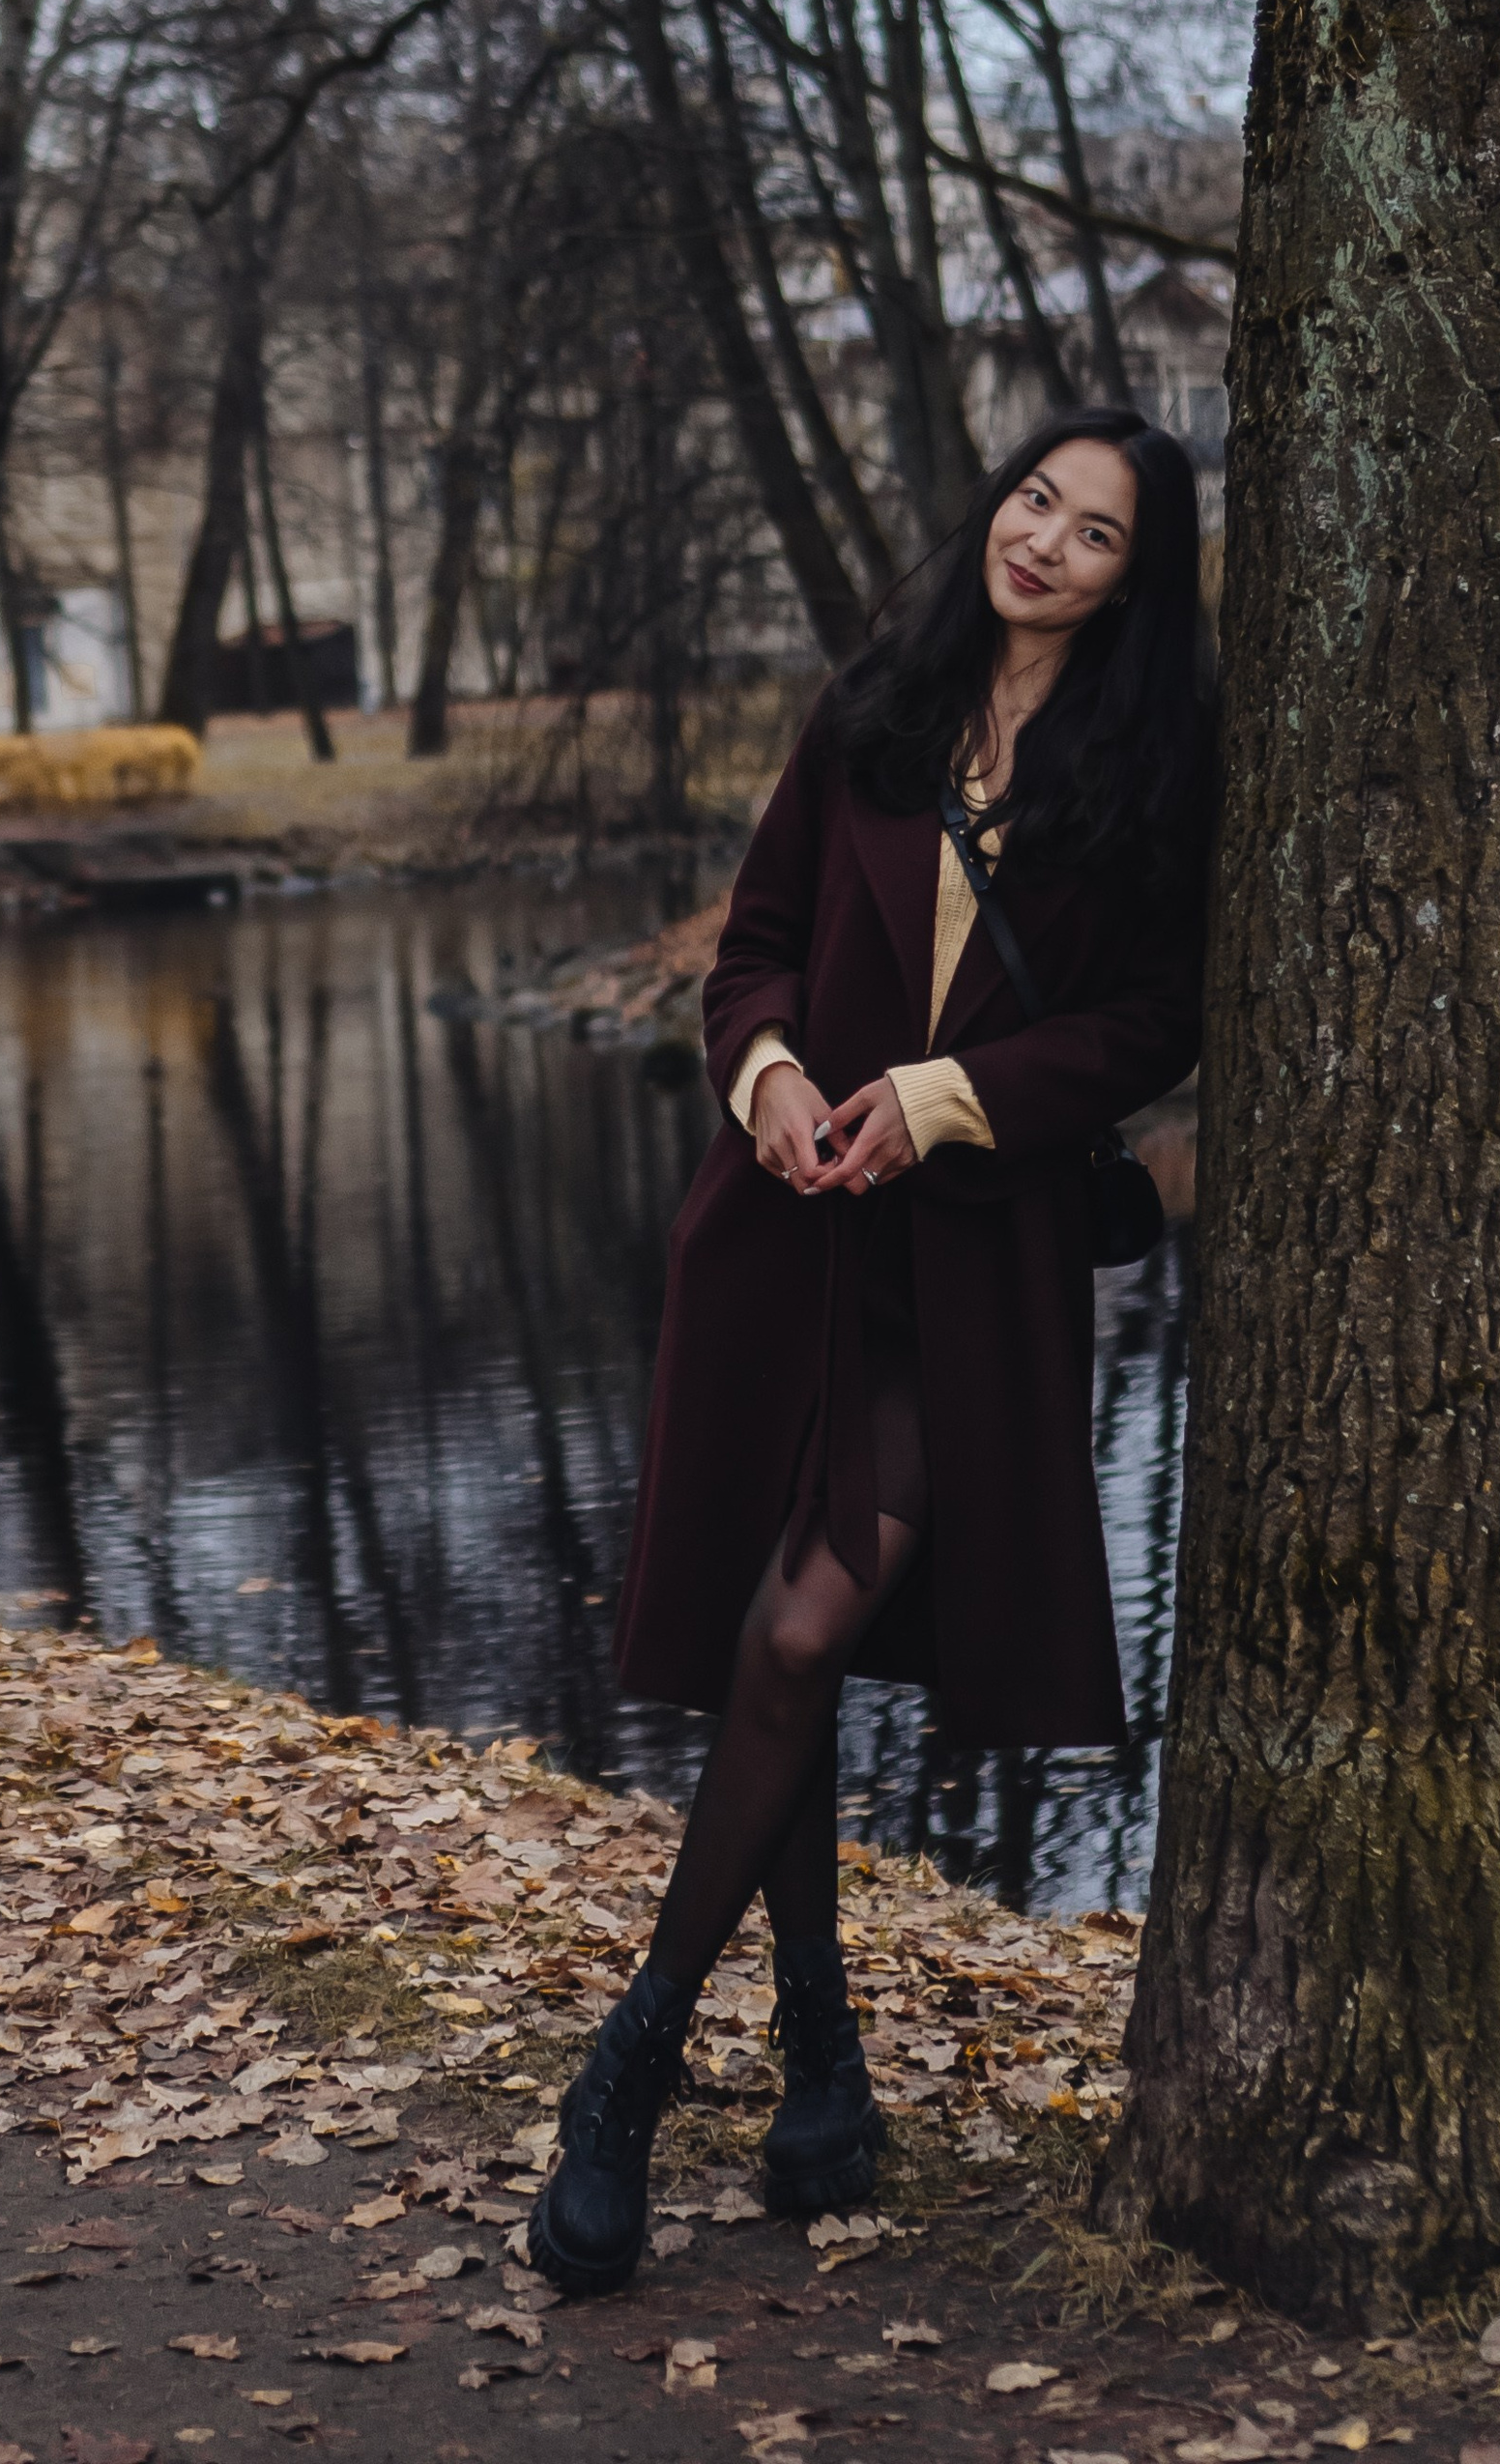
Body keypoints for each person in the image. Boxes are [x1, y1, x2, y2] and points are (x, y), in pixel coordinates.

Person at [530, 408, 1217, 2300]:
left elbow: (1148, 1023)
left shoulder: (1144, 770)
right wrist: (763, 1077)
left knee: (803, 1630)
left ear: (1128, 584)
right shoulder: (869, 713)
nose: (1043, 542)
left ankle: (630, 2071)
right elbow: (746, 953)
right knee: (782, 1639)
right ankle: (820, 2073)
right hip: (782, 1250)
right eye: (1030, 498)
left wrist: (939, 1095)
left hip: (970, 1283)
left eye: (1092, 535)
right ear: (988, 501)